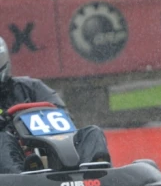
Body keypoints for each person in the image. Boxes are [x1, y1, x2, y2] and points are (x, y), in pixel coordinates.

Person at [0, 37, 111, 174]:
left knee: (92, 132)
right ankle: (21, 176)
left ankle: (95, 171)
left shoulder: (30, 87)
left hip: (45, 147)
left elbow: (60, 111)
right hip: (9, 162)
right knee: (2, 139)